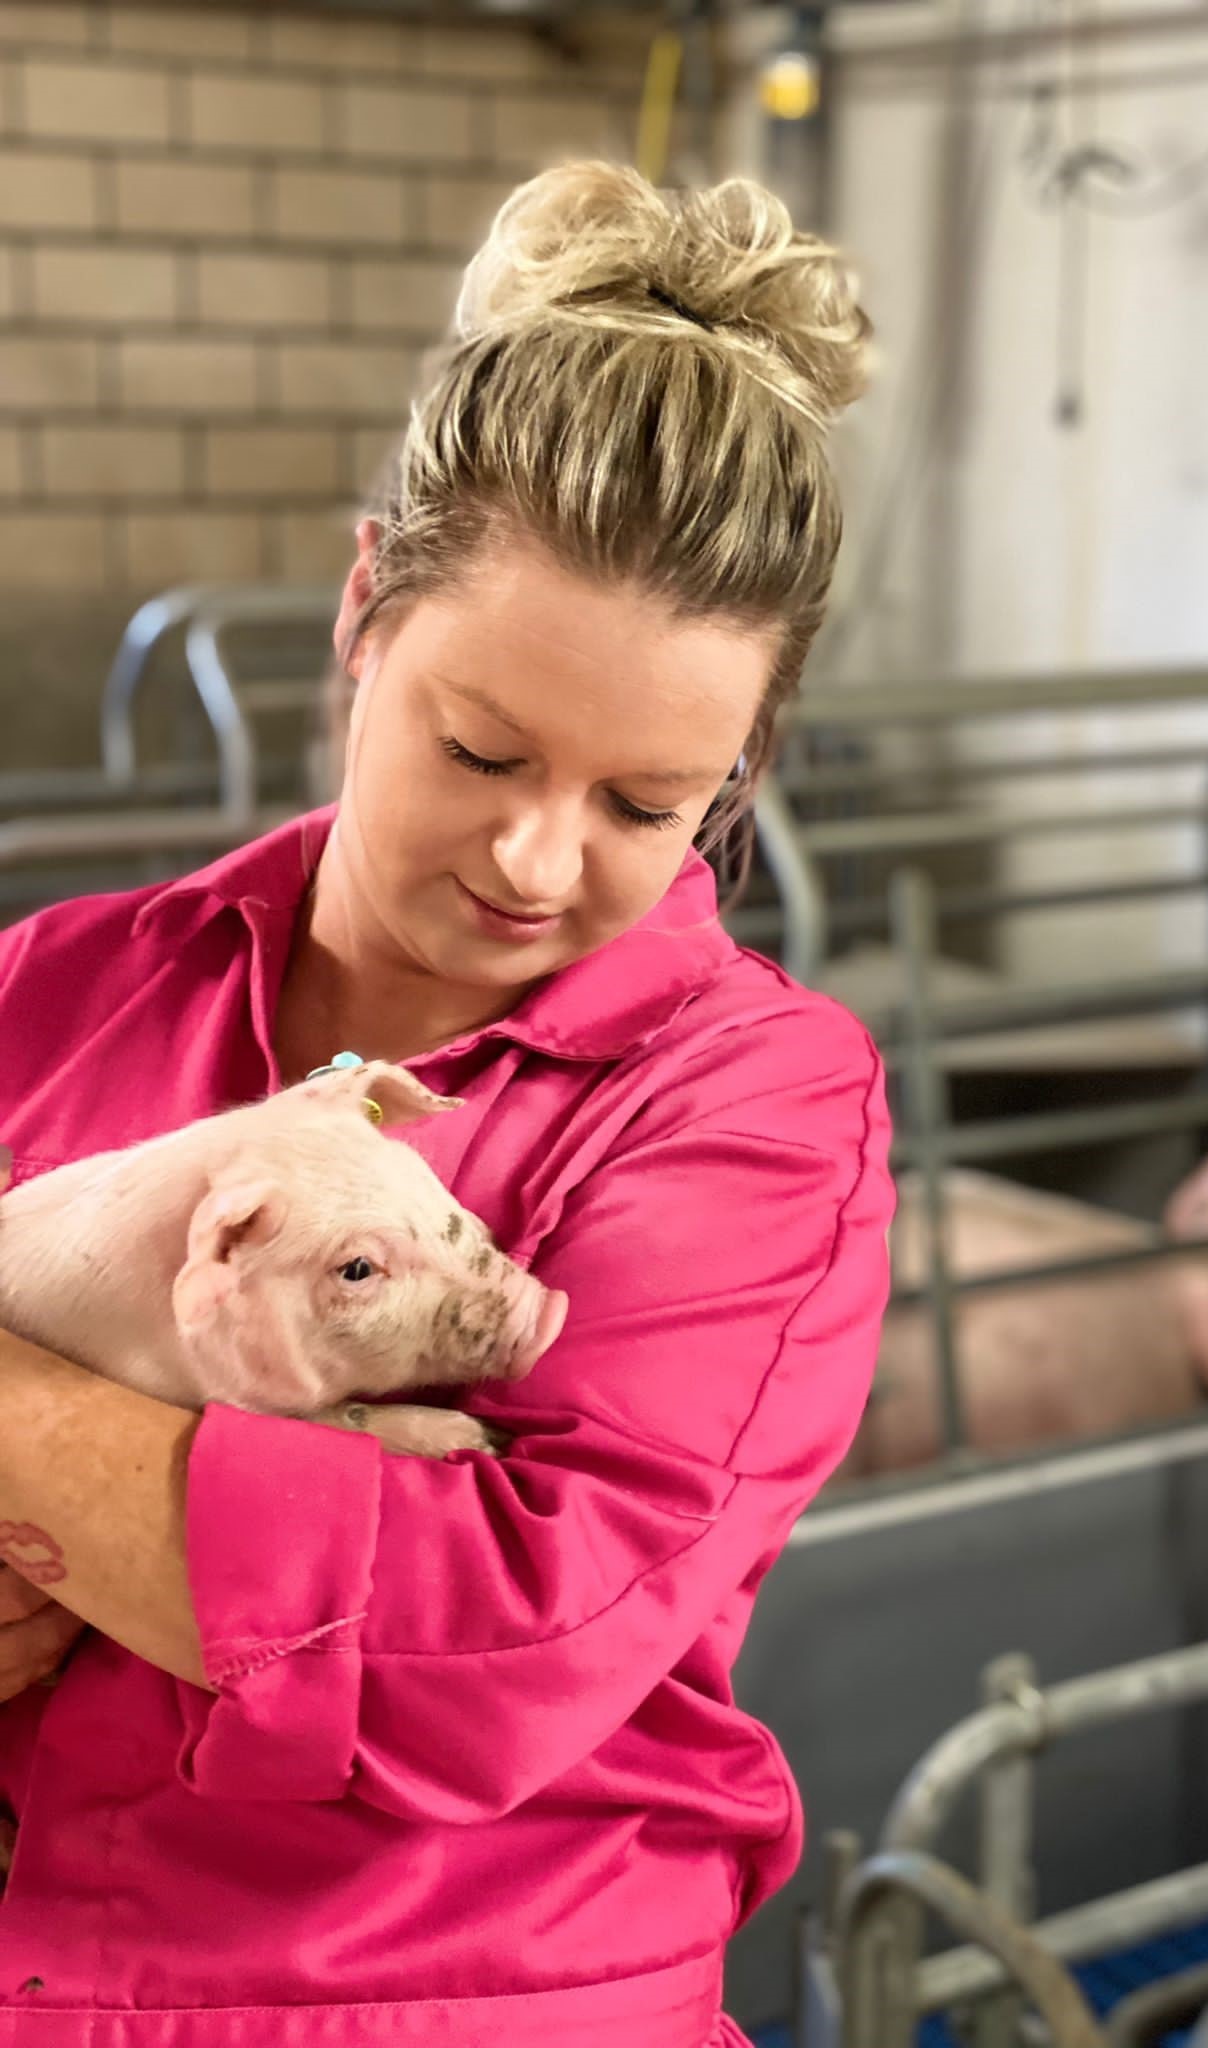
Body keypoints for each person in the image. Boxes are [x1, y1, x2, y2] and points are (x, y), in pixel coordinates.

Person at [0, 162, 893, 2047]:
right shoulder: (57, 990)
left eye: (654, 805)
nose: (536, 855)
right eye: (479, 746)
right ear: (360, 611)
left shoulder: (753, 1106)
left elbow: (482, 1649)